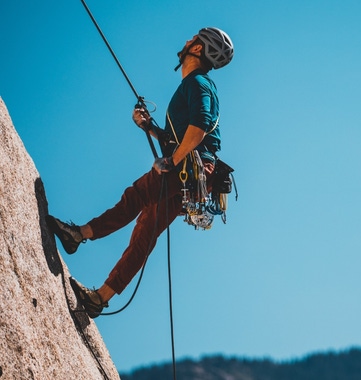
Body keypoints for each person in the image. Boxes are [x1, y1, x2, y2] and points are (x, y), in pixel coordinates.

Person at [47, 27, 234, 318]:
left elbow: (198, 129)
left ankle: (77, 235)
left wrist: (171, 161)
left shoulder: (198, 83)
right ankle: (100, 297)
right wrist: (149, 127)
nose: (186, 40)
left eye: (192, 39)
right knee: (145, 231)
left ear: (197, 49)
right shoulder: (194, 84)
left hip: (189, 167)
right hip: (198, 175)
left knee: (135, 197)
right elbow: (187, 135)